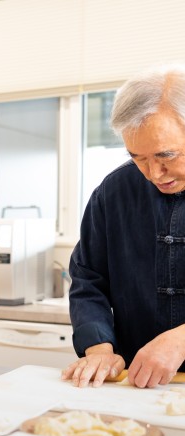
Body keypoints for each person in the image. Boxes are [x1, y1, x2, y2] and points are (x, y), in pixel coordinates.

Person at [63, 63, 185, 389]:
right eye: (138, 157)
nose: (153, 174)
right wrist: (100, 347)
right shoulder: (113, 191)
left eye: (166, 155)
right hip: (138, 386)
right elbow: (89, 280)